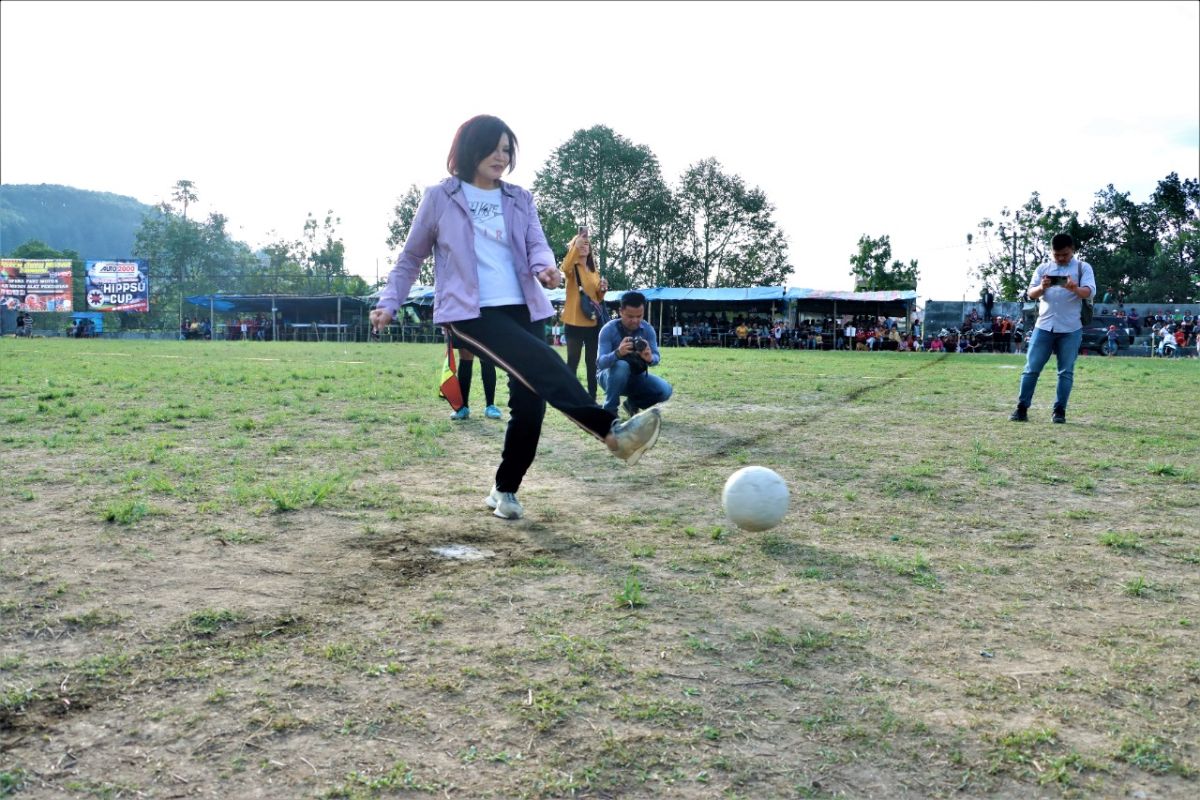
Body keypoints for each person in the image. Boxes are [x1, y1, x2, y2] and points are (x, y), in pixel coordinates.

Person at [369, 115, 662, 520]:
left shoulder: (519, 198)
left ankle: (504, 489)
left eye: (507, 149)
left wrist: (546, 268)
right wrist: (389, 303)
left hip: (523, 308)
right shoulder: (440, 197)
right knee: (543, 361)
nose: (501, 156)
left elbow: (536, 243)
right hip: (470, 313)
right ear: (470, 149)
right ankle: (611, 432)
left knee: (530, 403)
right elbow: (410, 259)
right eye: (493, 148)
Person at [1010, 233, 1096, 424]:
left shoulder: (1083, 268)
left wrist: (1074, 288)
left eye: (1065, 254)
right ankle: (1021, 408)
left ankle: (1059, 411)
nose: (1061, 259)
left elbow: (1090, 291)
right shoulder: (1043, 268)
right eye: (1057, 255)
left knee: (1065, 371)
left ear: (1072, 250)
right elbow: (1030, 293)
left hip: (1071, 329)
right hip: (1044, 327)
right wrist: (1042, 287)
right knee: (1031, 369)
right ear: (1052, 252)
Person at [596, 291, 673, 418]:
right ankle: (610, 411)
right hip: (608, 377)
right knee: (621, 366)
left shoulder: (647, 330)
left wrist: (649, 358)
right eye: (630, 316)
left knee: (665, 390)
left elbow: (656, 356)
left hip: (636, 376)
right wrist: (618, 353)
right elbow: (600, 363)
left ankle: (632, 404)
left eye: (639, 316)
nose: (635, 320)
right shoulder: (608, 330)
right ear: (620, 311)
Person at [559, 228, 608, 401]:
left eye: (587, 244)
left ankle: (592, 396)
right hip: (573, 321)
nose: (585, 246)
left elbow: (596, 298)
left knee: (591, 362)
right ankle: (569, 394)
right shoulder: (572, 268)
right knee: (573, 360)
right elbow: (564, 267)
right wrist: (576, 245)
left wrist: (602, 290)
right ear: (575, 246)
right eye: (582, 243)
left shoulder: (594, 270)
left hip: (592, 322)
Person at [449, 339, 502, 420]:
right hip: (465, 326)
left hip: (487, 326)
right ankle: (463, 407)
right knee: (465, 356)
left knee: (487, 357)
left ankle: (490, 406)